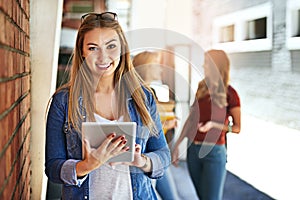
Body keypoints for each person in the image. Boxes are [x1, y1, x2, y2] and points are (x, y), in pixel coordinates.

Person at [45, 12, 170, 200]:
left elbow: (163, 155)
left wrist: (142, 161)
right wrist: (87, 165)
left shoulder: (143, 97)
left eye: (111, 46)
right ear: (82, 52)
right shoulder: (64, 101)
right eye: (93, 48)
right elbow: (53, 167)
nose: (103, 57)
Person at [172, 49, 241, 200]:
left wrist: (213, 125)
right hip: (193, 150)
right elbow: (191, 120)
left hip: (214, 152)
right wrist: (177, 145)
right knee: (202, 197)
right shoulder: (201, 88)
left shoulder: (230, 93)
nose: (203, 66)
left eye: (207, 63)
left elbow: (237, 128)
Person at [133, 51, 179, 200]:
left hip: (153, 154)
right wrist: (166, 124)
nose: (160, 69)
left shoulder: (149, 92)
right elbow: (143, 131)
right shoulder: (142, 94)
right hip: (145, 156)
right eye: (156, 65)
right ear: (146, 67)